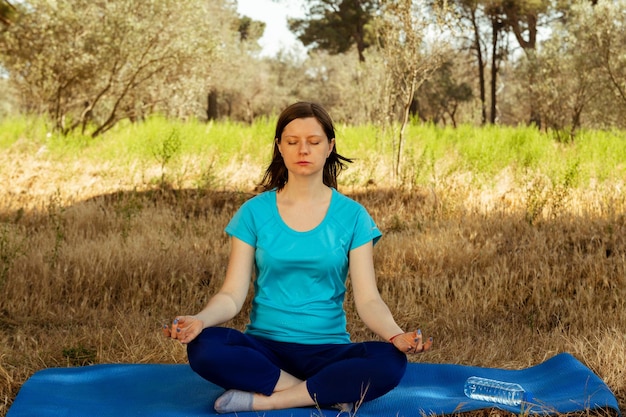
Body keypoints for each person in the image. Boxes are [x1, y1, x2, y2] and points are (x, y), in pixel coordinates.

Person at [163, 101, 433, 414]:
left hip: (329, 351)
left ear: (329, 147)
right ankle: (324, 392)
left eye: (314, 142)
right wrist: (200, 320)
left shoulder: (353, 216)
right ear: (279, 147)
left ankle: (270, 399)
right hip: (265, 349)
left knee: (389, 362)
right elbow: (231, 295)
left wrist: (396, 334)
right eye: (292, 142)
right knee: (205, 347)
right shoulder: (254, 212)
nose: (303, 150)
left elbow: (369, 300)